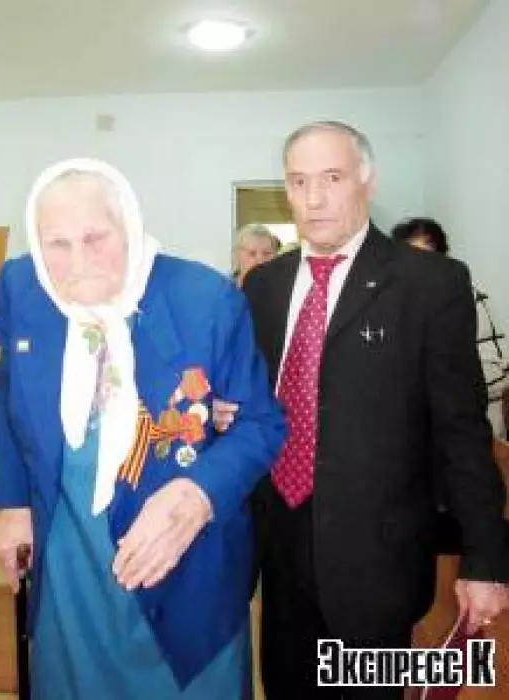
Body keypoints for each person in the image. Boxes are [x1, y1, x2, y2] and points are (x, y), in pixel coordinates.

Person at [214, 121, 509, 699]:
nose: (314, 198)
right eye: (299, 181)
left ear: (367, 182)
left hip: (378, 560)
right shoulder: (264, 287)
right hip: (280, 547)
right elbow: (259, 403)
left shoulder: (429, 283)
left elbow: (461, 431)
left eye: (332, 178)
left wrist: (486, 559)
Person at [0, 158, 285, 699]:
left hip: (182, 557)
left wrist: (198, 493)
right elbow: (9, 389)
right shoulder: (21, 288)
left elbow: (260, 425)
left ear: (127, 222)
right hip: (69, 556)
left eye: (95, 238)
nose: (77, 262)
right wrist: (12, 504)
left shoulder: (205, 298)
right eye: (57, 244)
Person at [391, 216, 509, 437]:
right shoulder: (392, 304)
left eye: (427, 258)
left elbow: (495, 373)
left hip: (469, 421)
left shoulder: (468, 299)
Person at [232, 223, 281, 287]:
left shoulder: (283, 288)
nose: (260, 260)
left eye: (267, 253)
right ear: (238, 256)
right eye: (252, 253)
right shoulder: (224, 288)